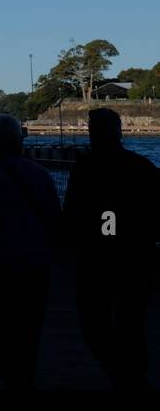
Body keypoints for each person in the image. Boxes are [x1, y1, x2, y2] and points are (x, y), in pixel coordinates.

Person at [0, 114, 61, 389]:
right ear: (22, 139)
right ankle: (25, 376)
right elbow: (55, 218)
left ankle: (11, 375)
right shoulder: (41, 174)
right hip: (34, 263)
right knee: (30, 325)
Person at [64, 108, 160, 388]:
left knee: (95, 324)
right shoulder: (142, 167)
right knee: (132, 322)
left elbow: (72, 214)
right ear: (119, 132)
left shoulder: (84, 169)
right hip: (136, 258)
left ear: (93, 134)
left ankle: (124, 376)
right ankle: (134, 376)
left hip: (95, 260)